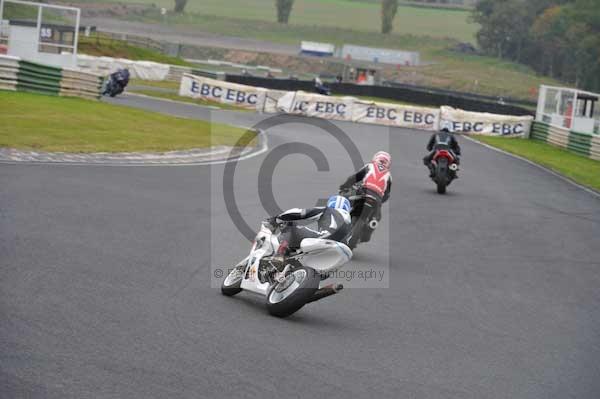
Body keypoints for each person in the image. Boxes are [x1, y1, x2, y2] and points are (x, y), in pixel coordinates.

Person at [266, 195, 353, 251]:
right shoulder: (351, 225)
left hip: (322, 239)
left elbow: (301, 213)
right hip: (337, 251)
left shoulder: (327, 210)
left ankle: (280, 253)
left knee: (290, 225)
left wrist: (277, 218)